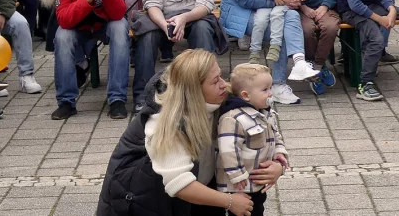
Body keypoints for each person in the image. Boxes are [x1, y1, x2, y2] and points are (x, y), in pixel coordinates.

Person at [99, 49, 283, 216]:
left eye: (220, 76)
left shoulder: (223, 97)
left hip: (201, 191)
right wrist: (229, 201)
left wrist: (277, 165)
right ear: (194, 90)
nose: (224, 85)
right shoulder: (166, 123)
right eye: (215, 81)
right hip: (146, 200)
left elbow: (265, 128)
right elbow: (180, 185)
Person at [40, 0, 129, 120]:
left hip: (105, 24)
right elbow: (63, 18)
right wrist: (86, 0)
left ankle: (117, 99)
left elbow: (119, 13)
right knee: (62, 36)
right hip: (77, 26)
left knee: (120, 28)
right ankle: (66, 102)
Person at [216, 63, 289, 216]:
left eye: (270, 88)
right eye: (265, 90)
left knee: (257, 209)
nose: (270, 93)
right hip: (238, 187)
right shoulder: (233, 118)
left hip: (255, 183)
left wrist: (279, 152)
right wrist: (237, 176)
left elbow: (275, 135)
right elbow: (228, 150)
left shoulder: (264, 112)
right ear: (245, 95)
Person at [338, 0, 397, 102]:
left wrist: (391, 10)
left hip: (371, 7)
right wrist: (380, 19)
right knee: (376, 40)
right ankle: (365, 83)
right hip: (352, 12)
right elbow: (355, 4)